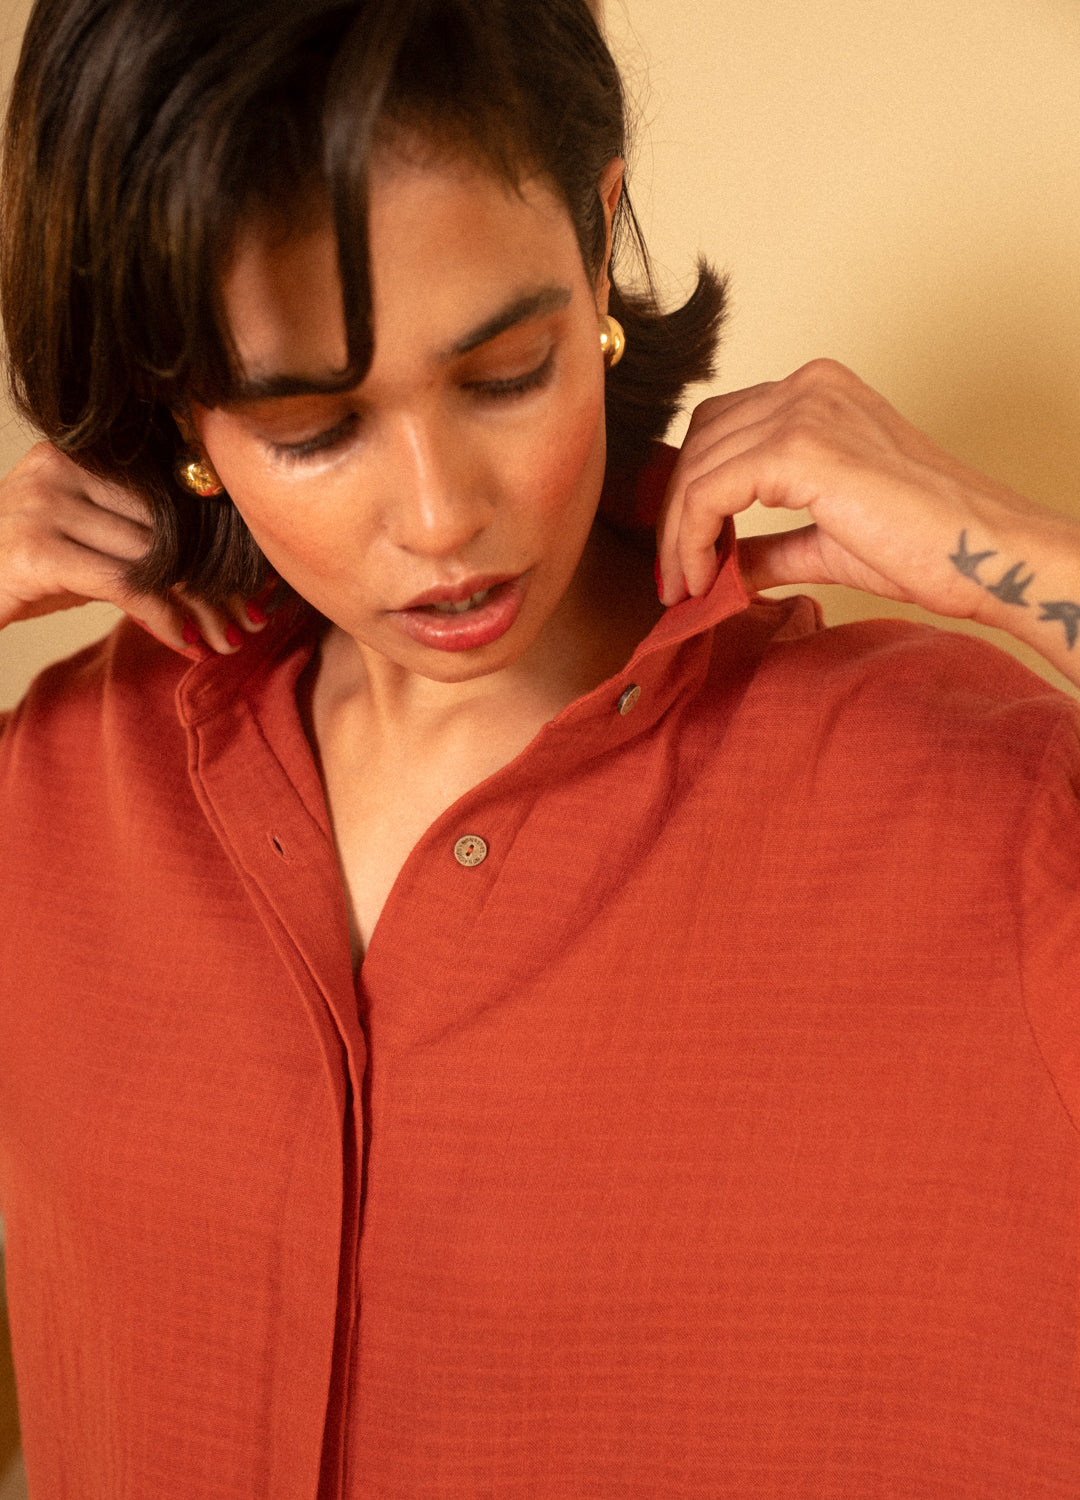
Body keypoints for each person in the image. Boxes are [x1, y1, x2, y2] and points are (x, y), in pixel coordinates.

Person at [0, 0, 1077, 1495]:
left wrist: (1016, 553)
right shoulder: (56, 792)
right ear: (172, 403)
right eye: (312, 426)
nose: (442, 516)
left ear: (597, 233)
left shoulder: (985, 814)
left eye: (507, 370)